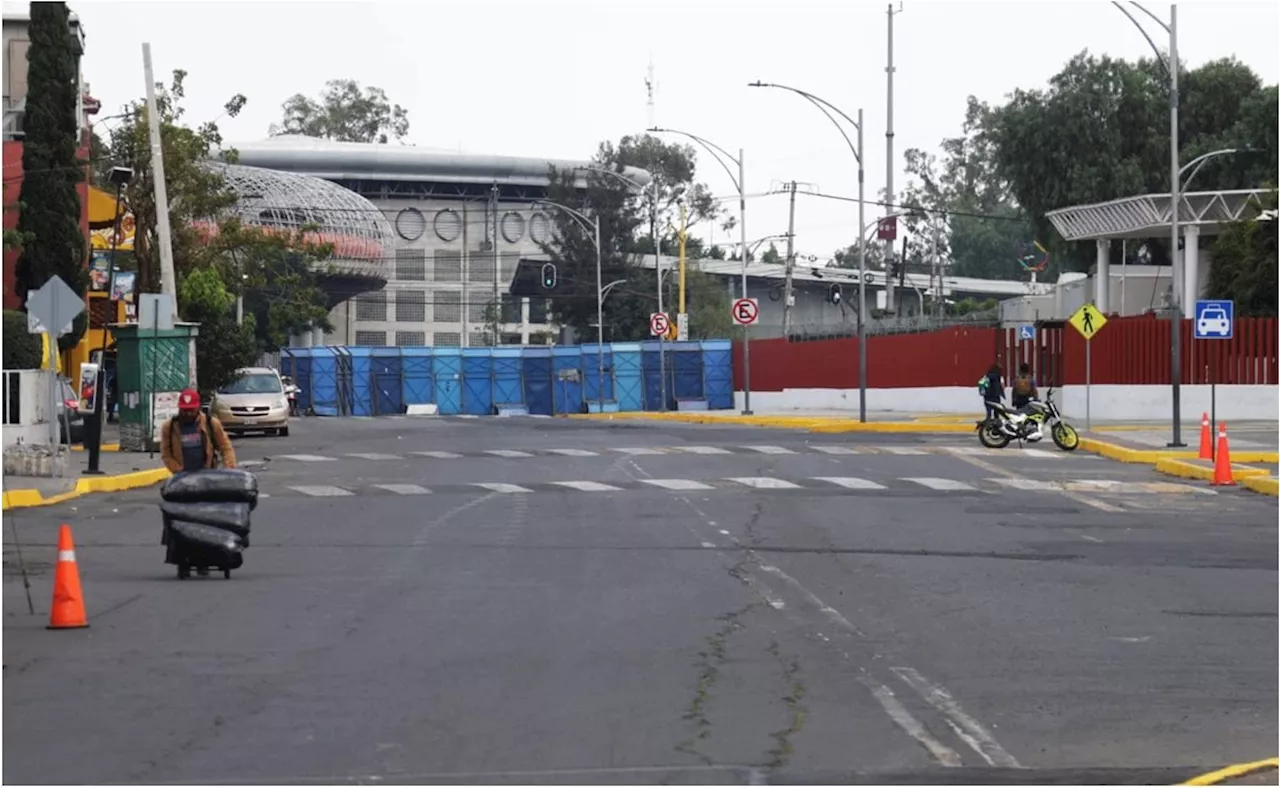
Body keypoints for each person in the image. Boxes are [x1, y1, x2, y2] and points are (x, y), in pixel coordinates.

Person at [160, 388, 237, 474]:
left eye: (191, 410)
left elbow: (225, 448)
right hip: (182, 478)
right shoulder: (169, 427)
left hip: (207, 476)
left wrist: (229, 469)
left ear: (198, 407)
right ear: (179, 408)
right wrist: (178, 470)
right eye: (185, 410)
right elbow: (166, 454)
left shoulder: (211, 423)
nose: (188, 414)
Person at [1010, 363, 1042, 440]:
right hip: (1028, 399)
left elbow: (1014, 390)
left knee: (1019, 416)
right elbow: (1034, 390)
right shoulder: (1030, 378)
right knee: (1029, 415)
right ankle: (1030, 431)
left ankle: (1020, 430)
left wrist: (1013, 400)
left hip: (1019, 399)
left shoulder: (1017, 379)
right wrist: (1036, 399)